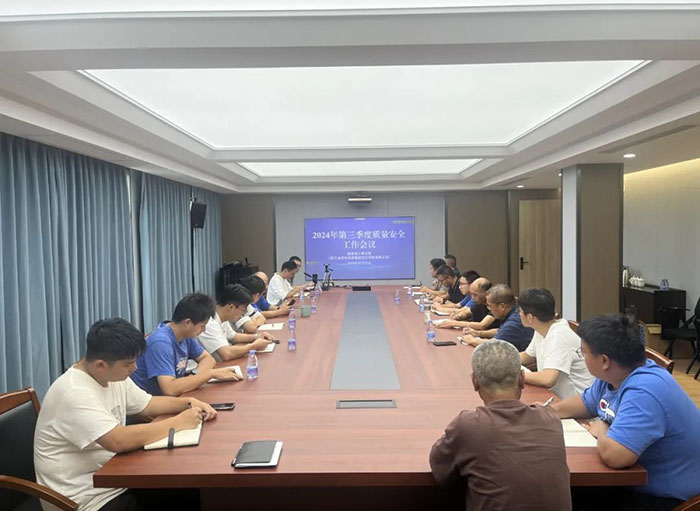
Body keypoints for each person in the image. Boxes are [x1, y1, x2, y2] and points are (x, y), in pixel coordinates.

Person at [34, 318, 217, 511]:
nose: (134, 368)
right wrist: (178, 423)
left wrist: (187, 403)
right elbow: (118, 440)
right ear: (101, 365)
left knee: (195, 493)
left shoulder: (112, 375)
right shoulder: (74, 392)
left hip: (117, 477)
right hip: (86, 498)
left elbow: (147, 404)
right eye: (128, 364)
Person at [550, 314, 700, 511]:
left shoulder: (644, 390)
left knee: (561, 497)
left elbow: (616, 457)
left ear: (604, 360)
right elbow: (586, 402)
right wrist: (546, 412)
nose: (582, 357)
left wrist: (602, 430)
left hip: (665, 496)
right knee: (557, 492)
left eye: (583, 353)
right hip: (633, 480)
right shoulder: (615, 373)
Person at [430, 340, 571, 511]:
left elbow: (441, 471)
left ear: (475, 381)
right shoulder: (550, 419)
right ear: (522, 379)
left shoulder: (467, 426)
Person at [130, 293, 240, 396]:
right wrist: (209, 374)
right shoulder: (160, 342)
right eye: (202, 326)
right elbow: (169, 389)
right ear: (187, 322)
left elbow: (208, 359)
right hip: (151, 402)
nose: (204, 330)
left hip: (173, 397)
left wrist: (195, 376)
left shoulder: (185, 335)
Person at [517, 288, 594, 398]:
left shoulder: (559, 336)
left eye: (520, 311)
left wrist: (513, 375)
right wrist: (502, 362)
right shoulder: (542, 329)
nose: (519, 314)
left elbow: (548, 379)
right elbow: (527, 356)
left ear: (530, 317)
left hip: (577, 401)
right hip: (555, 395)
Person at [198, 284, 273, 361]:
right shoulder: (209, 323)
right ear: (231, 307)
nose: (242, 314)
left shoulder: (222, 317)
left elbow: (233, 337)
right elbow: (226, 354)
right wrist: (253, 346)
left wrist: (257, 336)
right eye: (243, 311)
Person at [462, 284, 533, 351]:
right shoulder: (514, 310)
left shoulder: (513, 322)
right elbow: (500, 331)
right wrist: (478, 333)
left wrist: (472, 340)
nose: (489, 309)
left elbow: (493, 344)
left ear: (502, 306)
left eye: (490, 306)